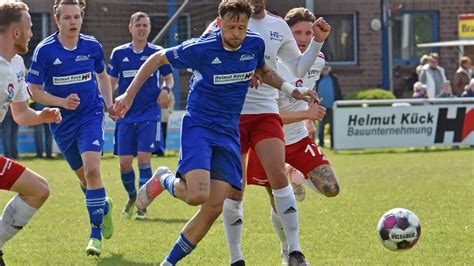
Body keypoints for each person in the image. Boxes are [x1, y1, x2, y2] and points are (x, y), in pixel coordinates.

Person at [115, 1, 318, 265]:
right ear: (219, 24)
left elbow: (264, 70)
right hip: (199, 127)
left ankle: (168, 263)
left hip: (228, 132)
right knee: (197, 195)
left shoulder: (253, 44)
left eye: (242, 28)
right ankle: (163, 179)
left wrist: (293, 90)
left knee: (213, 206)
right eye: (231, 27)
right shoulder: (201, 48)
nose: (237, 33)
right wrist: (128, 95)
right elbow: (157, 58)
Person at [196, 1, 330, 265]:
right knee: (236, 189)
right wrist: (237, 71)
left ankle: (294, 251)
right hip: (231, 116)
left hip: (266, 113)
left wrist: (318, 42)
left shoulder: (278, 25)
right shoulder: (219, 25)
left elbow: (298, 69)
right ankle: (236, 257)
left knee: (279, 176)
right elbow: (198, 64)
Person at [246, 7, 340, 263]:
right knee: (277, 199)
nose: (302, 37)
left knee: (331, 188)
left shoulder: (317, 59)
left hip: (298, 138)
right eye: (297, 32)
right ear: (285, 33)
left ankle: (296, 176)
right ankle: (288, 253)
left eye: (308, 33)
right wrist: (306, 114)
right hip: (266, 140)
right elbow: (266, 115)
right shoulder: (270, 65)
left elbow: (305, 90)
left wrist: (307, 115)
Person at [26, 0, 114, 256]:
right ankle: (103, 207)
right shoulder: (45, 51)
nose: (73, 22)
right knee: (85, 180)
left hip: (90, 114)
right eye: (67, 18)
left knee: (93, 170)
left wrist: (109, 104)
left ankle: (95, 236)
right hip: (61, 122)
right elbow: (35, 91)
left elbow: (103, 77)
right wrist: (61, 102)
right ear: (57, 20)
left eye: (77, 17)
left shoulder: (92, 46)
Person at [0, 2, 62, 264]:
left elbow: (20, 113)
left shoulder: (16, 65)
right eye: (29, 28)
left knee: (38, 189)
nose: (32, 34)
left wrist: (43, 116)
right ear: (16, 33)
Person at [108, 11, 174, 220]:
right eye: (139, 25)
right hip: (126, 114)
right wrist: (109, 104)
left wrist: (166, 90)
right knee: (125, 163)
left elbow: (169, 79)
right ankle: (132, 197)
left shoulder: (158, 53)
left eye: (146, 25)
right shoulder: (119, 54)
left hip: (149, 113)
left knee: (144, 159)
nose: (142, 28)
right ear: (131, 28)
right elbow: (110, 83)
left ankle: (142, 207)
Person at [316, 65, 342, 148]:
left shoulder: (334, 78)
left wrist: (339, 102)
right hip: (321, 106)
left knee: (332, 126)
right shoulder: (318, 79)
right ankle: (321, 143)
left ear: (329, 69)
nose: (325, 70)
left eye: (326, 69)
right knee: (321, 126)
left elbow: (338, 91)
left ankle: (333, 144)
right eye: (323, 69)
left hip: (332, 106)